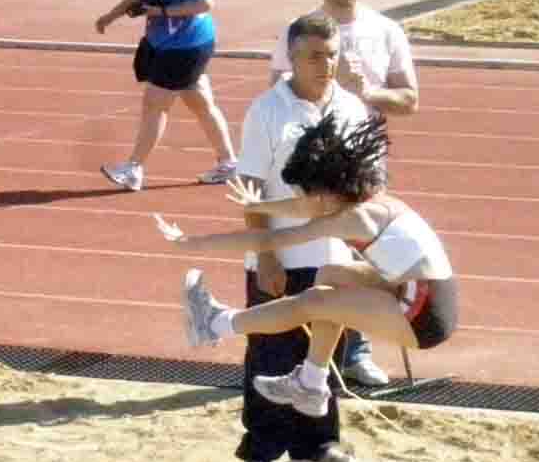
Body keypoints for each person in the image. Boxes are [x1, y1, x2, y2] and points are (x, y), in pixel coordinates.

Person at [160, 114, 457, 421]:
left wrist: (192, 243)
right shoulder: (366, 200)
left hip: (425, 317)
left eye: (301, 191)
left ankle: (215, 323)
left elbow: (270, 238)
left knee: (314, 302)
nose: (298, 200)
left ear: (324, 193)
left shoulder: (353, 219)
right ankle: (312, 385)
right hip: (419, 290)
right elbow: (306, 207)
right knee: (331, 274)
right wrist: (259, 205)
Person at [228, 14, 371, 462]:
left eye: (331, 55)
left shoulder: (352, 108)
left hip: (333, 255)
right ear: (291, 57)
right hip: (279, 255)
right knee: (271, 351)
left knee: (323, 351)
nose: (324, 64)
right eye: (313, 55)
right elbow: (248, 188)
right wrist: (265, 255)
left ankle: (319, 443)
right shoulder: (266, 111)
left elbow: (367, 182)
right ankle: (262, 451)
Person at [269, 0, 420, 388]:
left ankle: (359, 351)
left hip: (365, 168)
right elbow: (276, 90)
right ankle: (313, 354)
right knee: (317, 255)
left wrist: (365, 90)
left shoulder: (386, 30)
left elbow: (409, 99)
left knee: (366, 257)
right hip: (314, 167)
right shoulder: (298, 32)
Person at [94, 0, 236, 192]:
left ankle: (134, 168)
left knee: (154, 103)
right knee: (200, 102)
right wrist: (113, 14)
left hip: (186, 44)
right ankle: (229, 162)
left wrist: (159, 12)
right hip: (168, 42)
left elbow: (205, 3)